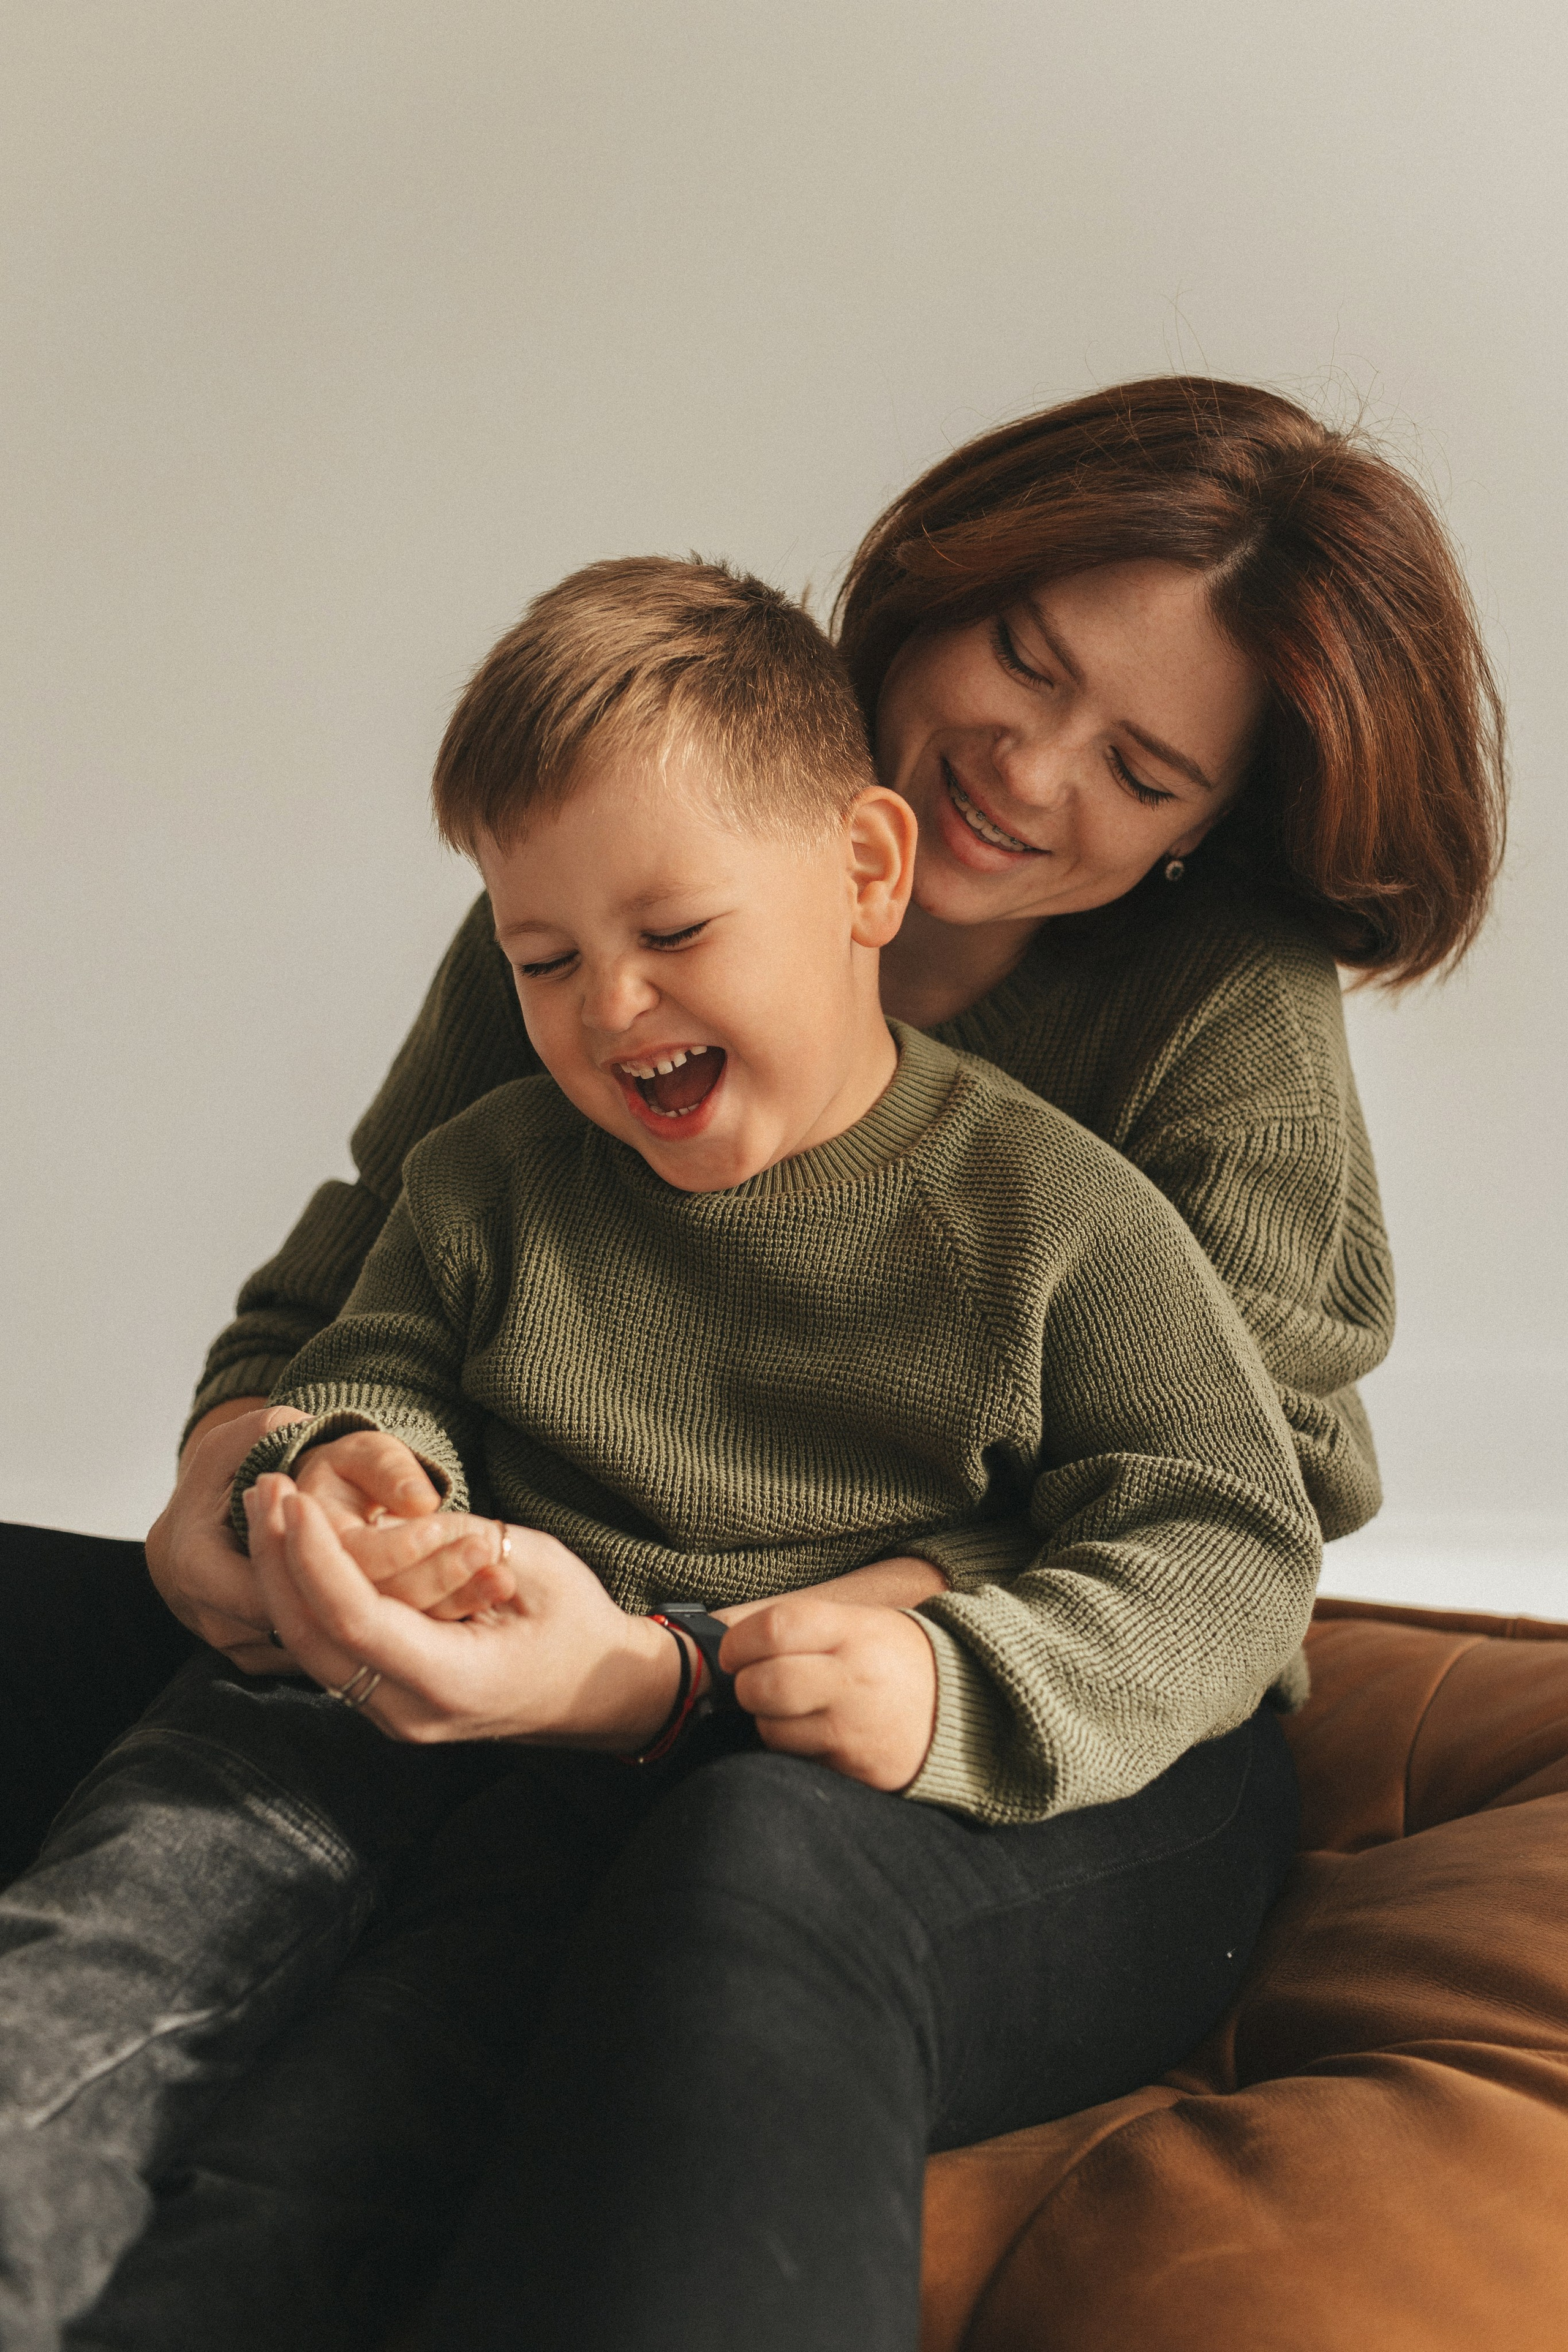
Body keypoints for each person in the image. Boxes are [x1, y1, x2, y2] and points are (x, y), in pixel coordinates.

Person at [1, 555, 1317, 2351]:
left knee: (372, 2118)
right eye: (544, 959)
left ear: (866, 873)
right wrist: (341, 1474)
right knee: (93, 1979)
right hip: (373, 1689)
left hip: (667, 1761)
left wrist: (925, 1675)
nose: (607, 1007)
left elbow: (1226, 1527)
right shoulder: (503, 1159)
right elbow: (369, 1343)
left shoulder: (1067, 1216)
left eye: (1144, 769)